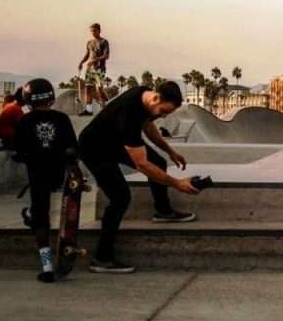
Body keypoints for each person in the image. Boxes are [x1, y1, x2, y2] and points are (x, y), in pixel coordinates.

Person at [78, 81, 198, 274]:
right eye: (163, 111)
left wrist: (170, 151)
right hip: (95, 149)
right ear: (157, 98)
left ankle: (163, 211)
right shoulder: (129, 114)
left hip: (115, 140)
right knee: (120, 197)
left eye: (166, 114)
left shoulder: (144, 95)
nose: (163, 116)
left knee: (158, 161)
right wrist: (177, 183)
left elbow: (149, 126)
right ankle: (102, 258)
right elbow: (142, 165)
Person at [15, 78, 78, 283]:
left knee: (41, 218)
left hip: (37, 175)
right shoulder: (62, 119)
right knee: (43, 211)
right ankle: (32, 213)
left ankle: (47, 266)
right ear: (51, 97)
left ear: (28, 100)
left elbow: (19, 151)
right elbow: (71, 149)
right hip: (57, 174)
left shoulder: (24, 121)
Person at [77, 23, 110, 116]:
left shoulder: (104, 42)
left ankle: (104, 105)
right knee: (88, 88)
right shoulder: (89, 42)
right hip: (89, 69)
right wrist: (81, 62)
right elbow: (87, 54)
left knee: (99, 88)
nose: (93, 32)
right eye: (91, 31)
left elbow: (106, 55)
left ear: (99, 31)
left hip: (100, 69)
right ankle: (88, 110)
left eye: (94, 30)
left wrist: (95, 60)